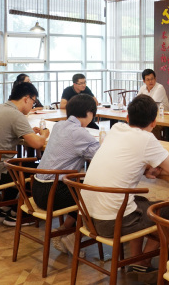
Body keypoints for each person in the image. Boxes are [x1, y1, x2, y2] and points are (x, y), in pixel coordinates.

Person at [83, 95, 169, 278]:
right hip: (110, 223)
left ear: (127, 118)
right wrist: (150, 167)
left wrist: (144, 168)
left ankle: (136, 260)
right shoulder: (146, 138)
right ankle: (143, 262)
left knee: (137, 202)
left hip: (87, 218)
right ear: (154, 122)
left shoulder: (116, 129)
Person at [0, 82, 49, 226]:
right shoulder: (15, 115)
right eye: (33, 101)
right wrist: (44, 134)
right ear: (26, 98)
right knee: (36, 170)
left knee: (20, 165)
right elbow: (37, 144)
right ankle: (19, 214)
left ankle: (5, 208)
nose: (33, 105)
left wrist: (27, 132)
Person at [33, 94, 100, 255]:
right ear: (89, 113)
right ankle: (71, 237)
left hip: (37, 189)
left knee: (81, 188)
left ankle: (64, 230)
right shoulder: (79, 133)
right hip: (53, 193)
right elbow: (101, 156)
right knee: (95, 195)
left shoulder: (59, 125)